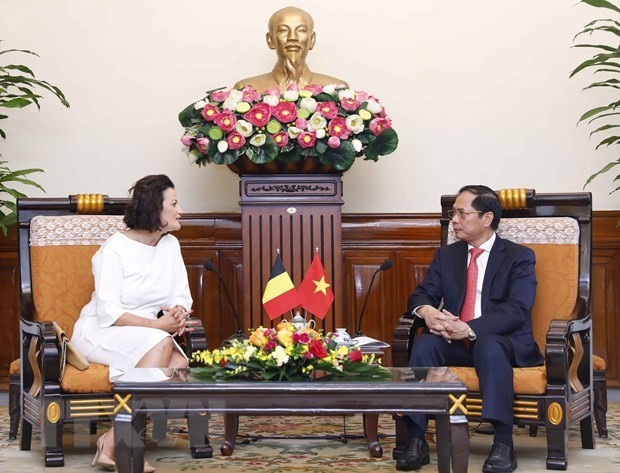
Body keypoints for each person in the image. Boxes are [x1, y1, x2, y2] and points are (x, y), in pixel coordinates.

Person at [397, 185, 544, 473]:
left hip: (502, 343)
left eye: (462, 213)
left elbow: (517, 309)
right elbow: (421, 295)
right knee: (425, 343)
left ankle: (503, 442)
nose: (454, 220)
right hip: (456, 342)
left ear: (487, 218)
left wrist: (469, 328)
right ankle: (415, 438)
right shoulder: (447, 256)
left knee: (489, 345)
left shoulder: (519, 256)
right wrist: (427, 311)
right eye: (454, 214)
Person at [72, 174, 193, 472]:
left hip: (146, 333)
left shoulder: (170, 245)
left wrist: (178, 313)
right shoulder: (115, 248)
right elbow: (108, 313)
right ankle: (128, 447)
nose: (181, 211)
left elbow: (182, 296)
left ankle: (112, 440)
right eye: (174, 204)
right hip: (101, 331)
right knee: (164, 347)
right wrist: (158, 328)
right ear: (155, 208)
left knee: (180, 368)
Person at [233, 6, 348, 92]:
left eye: (301, 30)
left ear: (312, 40)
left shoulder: (337, 89)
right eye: (283, 30)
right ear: (270, 40)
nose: (292, 38)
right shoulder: (246, 89)